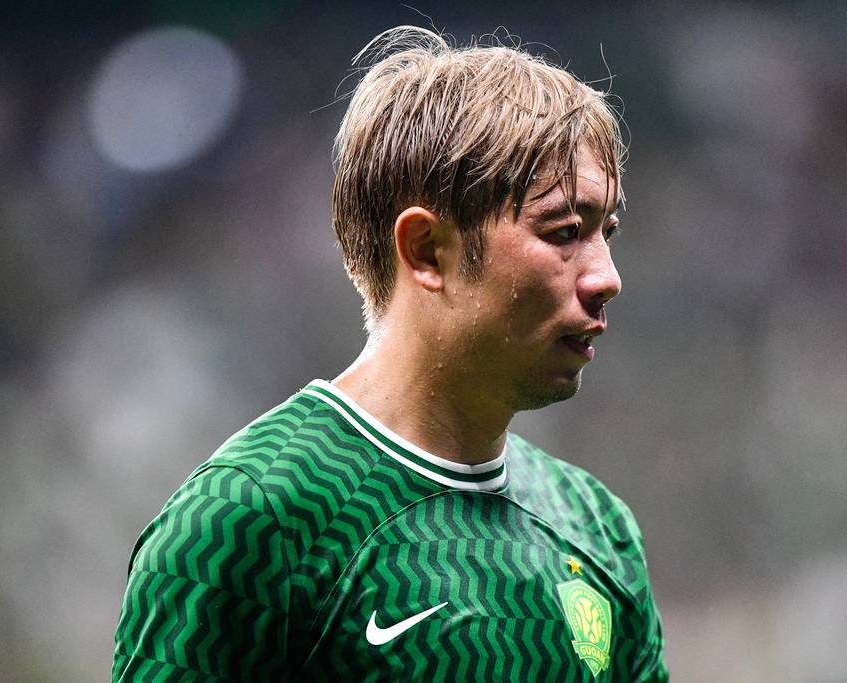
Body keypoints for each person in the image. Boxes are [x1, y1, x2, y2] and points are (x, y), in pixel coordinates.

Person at [113, 26, 667, 682]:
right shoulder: (249, 522)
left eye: (607, 231)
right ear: (428, 250)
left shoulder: (599, 529)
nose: (607, 276)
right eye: (565, 231)